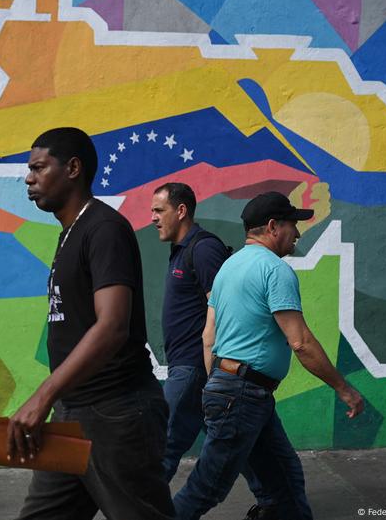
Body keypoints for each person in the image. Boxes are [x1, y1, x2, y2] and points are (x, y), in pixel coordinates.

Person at [8, 128, 174, 519]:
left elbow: (112, 326)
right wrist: (56, 399)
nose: (29, 178)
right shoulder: (72, 232)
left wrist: (43, 396)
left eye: (39, 168)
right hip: (75, 411)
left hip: (116, 414)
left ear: (73, 169)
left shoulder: (104, 229)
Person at [172, 192, 365, 520]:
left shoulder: (227, 269)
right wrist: (344, 389)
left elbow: (208, 338)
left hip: (234, 390)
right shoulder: (275, 270)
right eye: (292, 225)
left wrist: (216, 386)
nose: (297, 233)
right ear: (273, 226)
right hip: (243, 395)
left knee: (285, 479)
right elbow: (301, 342)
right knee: (206, 488)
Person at [151, 183, 275, 520]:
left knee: (162, 448)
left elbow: (224, 308)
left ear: (181, 211)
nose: (153, 218)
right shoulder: (181, 250)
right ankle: (272, 502)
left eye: (159, 210)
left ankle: (140, 510)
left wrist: (214, 372)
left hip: (194, 369)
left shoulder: (203, 249)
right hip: (192, 368)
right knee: (234, 443)